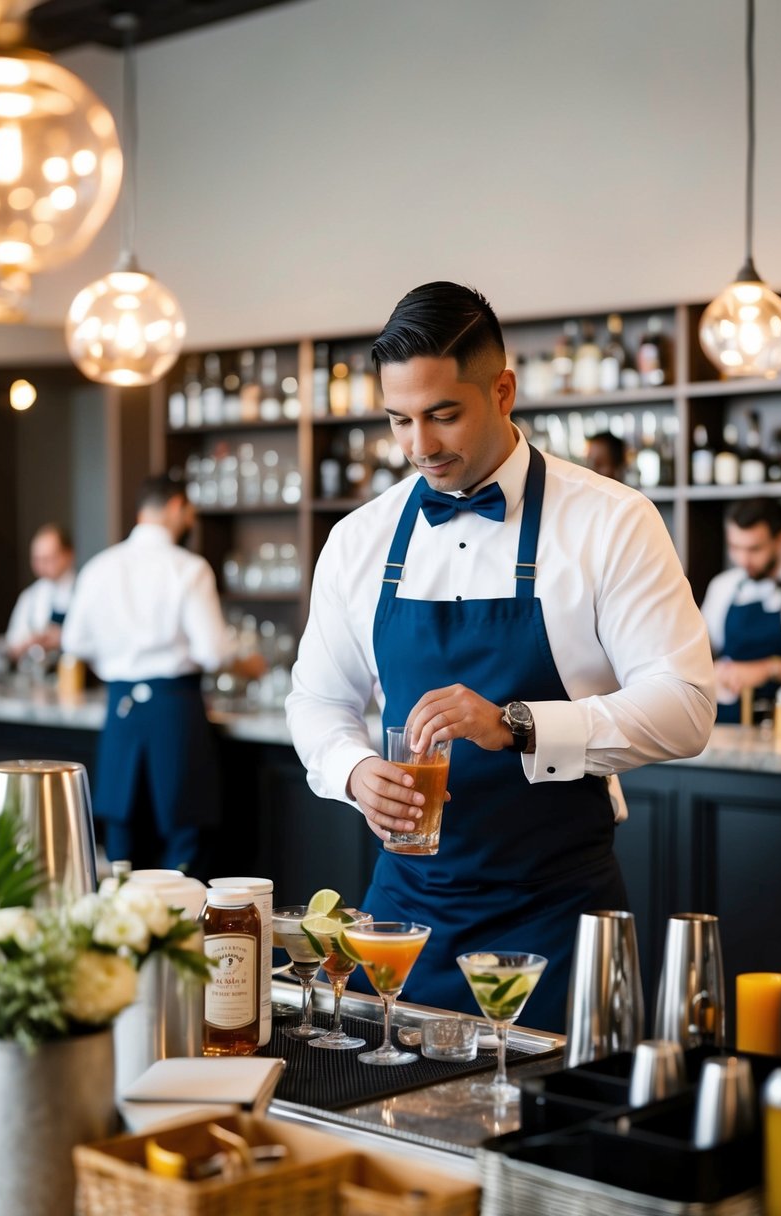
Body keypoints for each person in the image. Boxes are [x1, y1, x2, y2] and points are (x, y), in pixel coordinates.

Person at [286, 281, 715, 1032]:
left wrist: (517, 723)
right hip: (403, 918)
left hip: (552, 913)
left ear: (503, 391)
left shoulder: (610, 522)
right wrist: (353, 771)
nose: (418, 445)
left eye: (442, 414)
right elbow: (317, 700)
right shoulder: (359, 539)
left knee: (547, 1135)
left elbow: (685, 705)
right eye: (398, 420)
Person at [62, 474, 265, 878]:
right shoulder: (189, 568)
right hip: (175, 709)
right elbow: (212, 651)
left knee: (120, 848)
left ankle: (118, 936)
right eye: (189, 511)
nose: (190, 519)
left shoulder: (100, 566)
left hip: (120, 710)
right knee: (184, 841)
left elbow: (74, 641)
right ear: (176, 507)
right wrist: (248, 664)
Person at [701, 498, 781, 722]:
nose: (743, 560)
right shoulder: (722, 587)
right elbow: (701, 650)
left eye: (754, 549)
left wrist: (768, 669)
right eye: (735, 548)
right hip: (723, 723)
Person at [5, 523, 75, 661]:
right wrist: (28, 642)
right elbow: (11, 647)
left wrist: (64, 638)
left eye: (49, 559)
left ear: (68, 555)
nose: (42, 565)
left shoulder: (84, 592)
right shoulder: (30, 597)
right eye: (37, 559)